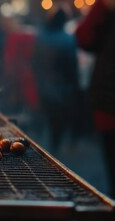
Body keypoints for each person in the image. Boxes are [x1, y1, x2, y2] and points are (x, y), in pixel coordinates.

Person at [75, 0, 115, 200]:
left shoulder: (109, 10)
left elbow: (83, 38)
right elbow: (83, 39)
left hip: (110, 107)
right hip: (110, 109)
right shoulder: (108, 11)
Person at [32, 4, 80, 153]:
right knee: (58, 121)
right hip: (62, 87)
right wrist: (75, 85)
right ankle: (54, 147)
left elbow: (35, 62)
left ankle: (39, 145)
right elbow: (72, 67)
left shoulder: (41, 36)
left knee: (44, 116)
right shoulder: (68, 40)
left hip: (44, 84)